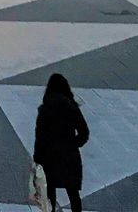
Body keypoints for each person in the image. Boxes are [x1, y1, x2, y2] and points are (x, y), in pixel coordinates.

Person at [33, 73, 89, 212]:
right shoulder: (72, 107)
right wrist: (72, 144)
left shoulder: (44, 109)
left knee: (50, 193)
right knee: (73, 193)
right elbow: (84, 133)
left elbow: (39, 137)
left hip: (49, 156)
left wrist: (37, 159)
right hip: (69, 156)